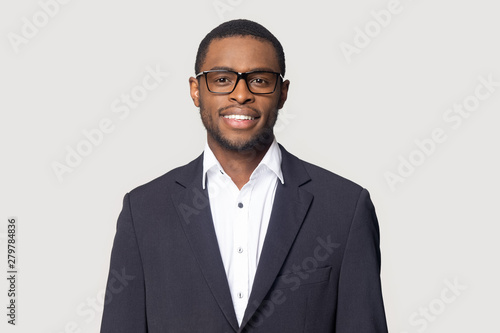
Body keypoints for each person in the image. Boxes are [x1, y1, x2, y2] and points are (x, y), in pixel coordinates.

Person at [100, 19, 389, 333]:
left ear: (282, 92)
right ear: (196, 91)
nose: (240, 95)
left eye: (260, 81)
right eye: (222, 79)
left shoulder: (344, 208)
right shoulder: (143, 211)